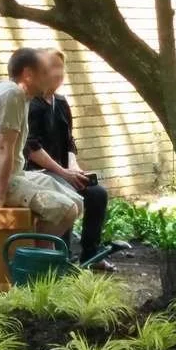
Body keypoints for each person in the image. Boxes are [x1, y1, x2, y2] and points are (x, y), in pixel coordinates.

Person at [0, 47, 83, 241]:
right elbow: (4, 148)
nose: (50, 77)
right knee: (67, 210)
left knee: (77, 201)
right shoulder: (12, 95)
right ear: (28, 74)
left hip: (13, 175)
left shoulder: (16, 93)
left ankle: (36, 254)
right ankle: (30, 260)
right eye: (44, 72)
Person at [25, 48, 115, 271]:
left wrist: (73, 167)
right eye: (52, 67)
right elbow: (31, 148)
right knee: (67, 194)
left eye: (60, 67)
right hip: (37, 175)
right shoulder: (31, 105)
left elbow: (69, 142)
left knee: (97, 194)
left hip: (63, 172)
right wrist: (64, 173)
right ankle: (61, 258)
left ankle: (90, 255)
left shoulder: (61, 102)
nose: (58, 72)